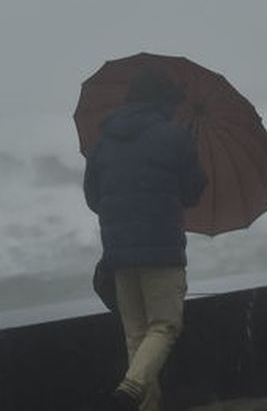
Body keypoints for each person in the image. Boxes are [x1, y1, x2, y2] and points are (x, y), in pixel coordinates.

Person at [84, 68, 207, 411]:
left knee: (136, 335)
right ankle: (129, 390)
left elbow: (93, 198)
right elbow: (192, 193)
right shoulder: (175, 137)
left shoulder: (102, 141)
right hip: (161, 248)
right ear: (161, 100)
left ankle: (145, 406)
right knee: (165, 326)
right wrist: (189, 147)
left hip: (118, 251)